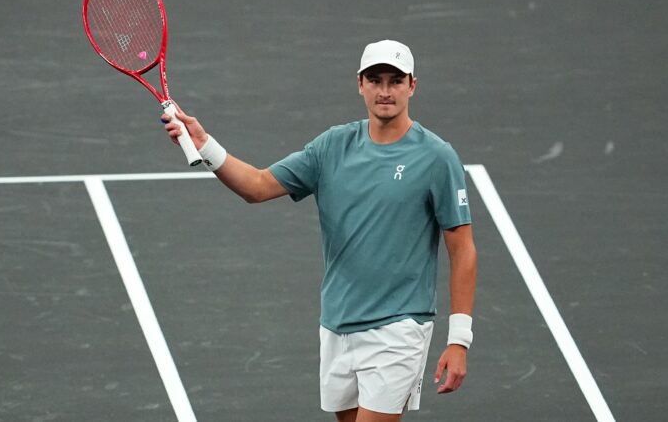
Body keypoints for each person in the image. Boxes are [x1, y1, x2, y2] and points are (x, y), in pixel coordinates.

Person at [163, 40, 477, 422]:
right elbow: (257, 186)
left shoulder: (436, 157)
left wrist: (459, 339)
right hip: (337, 325)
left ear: (412, 86)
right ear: (360, 84)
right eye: (375, 80)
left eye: (395, 81)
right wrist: (204, 144)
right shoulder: (332, 146)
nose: (385, 91)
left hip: (399, 329)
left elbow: (462, 249)